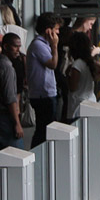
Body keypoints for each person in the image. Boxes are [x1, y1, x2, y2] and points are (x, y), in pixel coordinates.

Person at [0, 33, 24, 171]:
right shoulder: (7, 68)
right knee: (18, 156)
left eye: (19, 46)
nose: (18, 50)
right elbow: (10, 99)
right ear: (6, 46)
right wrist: (17, 123)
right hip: (4, 118)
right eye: (15, 47)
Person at [27, 12, 62, 148]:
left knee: (45, 128)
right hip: (43, 95)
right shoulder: (38, 45)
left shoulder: (42, 44)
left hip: (46, 93)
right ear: (48, 30)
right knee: (43, 130)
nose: (58, 33)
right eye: (56, 29)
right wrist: (55, 46)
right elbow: (53, 64)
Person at [65, 31, 100, 123]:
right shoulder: (88, 63)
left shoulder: (77, 65)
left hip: (78, 106)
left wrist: (67, 76)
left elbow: (73, 87)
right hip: (91, 101)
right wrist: (94, 78)